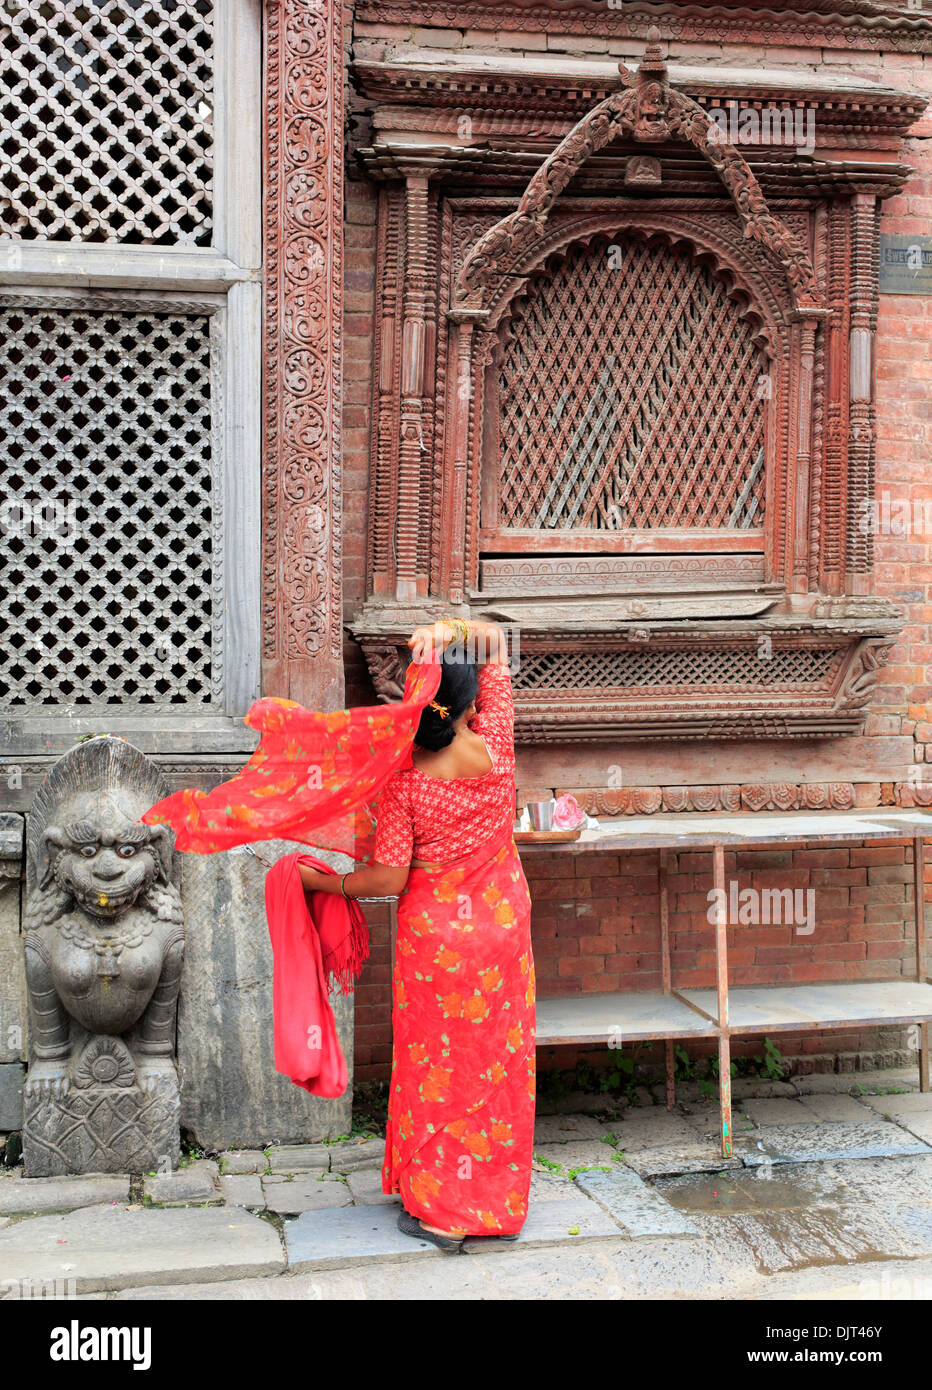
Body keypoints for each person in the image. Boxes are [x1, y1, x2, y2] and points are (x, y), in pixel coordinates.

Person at [297, 618, 536, 1252]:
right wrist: (453, 627)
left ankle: (441, 1211)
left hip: (437, 948)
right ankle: (491, 1205)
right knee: (496, 1064)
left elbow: (387, 879)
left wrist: (322, 886)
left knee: (438, 1067)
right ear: (468, 704)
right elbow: (498, 646)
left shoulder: (405, 781)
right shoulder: (497, 748)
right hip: (501, 934)